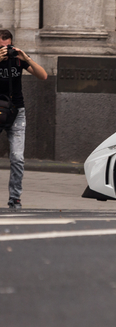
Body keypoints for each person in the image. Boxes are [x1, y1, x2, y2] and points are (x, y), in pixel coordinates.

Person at [0, 29, 48, 209]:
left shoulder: (18, 59)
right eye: (1, 47)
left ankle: (15, 198)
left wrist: (26, 58)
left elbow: (43, 76)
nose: (6, 50)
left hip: (16, 112)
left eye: (8, 46)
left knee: (17, 158)